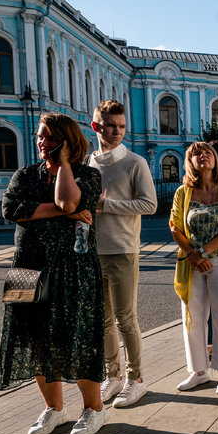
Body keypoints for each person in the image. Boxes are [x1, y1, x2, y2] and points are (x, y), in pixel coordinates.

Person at [0, 112, 107, 434]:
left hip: (73, 268)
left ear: (66, 141)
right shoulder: (24, 174)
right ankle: (55, 409)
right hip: (25, 266)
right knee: (35, 340)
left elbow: (67, 198)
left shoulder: (87, 175)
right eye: (39, 137)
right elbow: (10, 209)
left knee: (78, 339)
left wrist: (62, 166)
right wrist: (60, 211)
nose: (41, 143)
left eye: (49, 137)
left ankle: (94, 410)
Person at [88, 100, 157, 409]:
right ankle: (112, 376)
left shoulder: (134, 163)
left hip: (123, 250)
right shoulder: (88, 164)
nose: (117, 132)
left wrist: (107, 205)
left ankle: (136, 379)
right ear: (96, 127)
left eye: (121, 126)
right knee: (102, 321)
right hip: (91, 251)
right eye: (110, 126)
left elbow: (149, 205)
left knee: (126, 319)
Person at [170, 142, 218, 394]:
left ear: (215, 159)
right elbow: (175, 227)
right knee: (192, 316)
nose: (202, 156)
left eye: (207, 153)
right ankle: (199, 371)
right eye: (196, 154)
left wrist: (204, 252)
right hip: (191, 262)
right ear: (190, 162)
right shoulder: (183, 192)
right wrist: (194, 255)